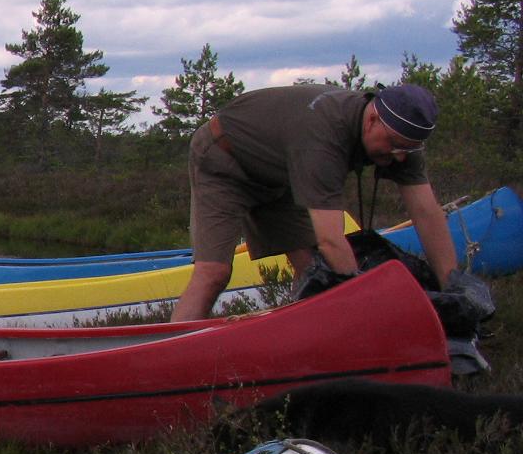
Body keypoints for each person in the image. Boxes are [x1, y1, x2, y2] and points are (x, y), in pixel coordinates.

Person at [170, 83, 460, 321]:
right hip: (224, 160)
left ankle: (304, 343)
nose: (399, 156)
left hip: (282, 174)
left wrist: (452, 289)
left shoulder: (402, 139)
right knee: (214, 272)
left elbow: (427, 214)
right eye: (394, 145)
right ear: (372, 119)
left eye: (407, 150)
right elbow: (331, 241)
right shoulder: (324, 138)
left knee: (311, 267)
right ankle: (170, 358)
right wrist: (367, 308)